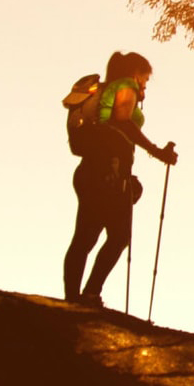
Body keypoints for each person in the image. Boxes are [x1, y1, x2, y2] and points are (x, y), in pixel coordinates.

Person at [62, 51, 177, 306]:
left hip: (91, 170)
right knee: (118, 235)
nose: (145, 85)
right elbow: (124, 122)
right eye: (146, 79)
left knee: (85, 237)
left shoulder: (107, 90)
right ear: (137, 72)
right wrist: (157, 151)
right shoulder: (126, 86)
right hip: (108, 173)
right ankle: (89, 293)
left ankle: (73, 298)